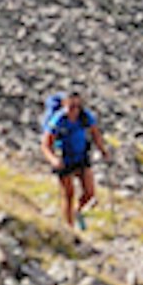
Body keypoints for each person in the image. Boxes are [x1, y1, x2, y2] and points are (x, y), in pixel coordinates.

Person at [43, 88, 104, 228]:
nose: (75, 110)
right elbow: (46, 144)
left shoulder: (85, 116)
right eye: (71, 106)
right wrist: (53, 160)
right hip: (64, 158)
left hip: (81, 156)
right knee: (68, 194)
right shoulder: (58, 120)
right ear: (65, 104)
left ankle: (78, 211)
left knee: (89, 193)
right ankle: (69, 226)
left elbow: (95, 133)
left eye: (77, 106)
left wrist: (103, 150)